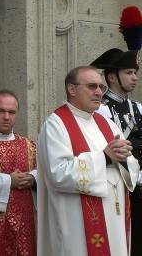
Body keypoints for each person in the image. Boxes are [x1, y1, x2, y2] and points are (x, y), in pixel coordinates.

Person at [37, 66, 140, 255]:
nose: (99, 92)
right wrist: (105, 157)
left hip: (115, 217)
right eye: (92, 86)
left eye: (101, 87)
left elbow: (131, 164)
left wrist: (125, 157)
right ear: (72, 89)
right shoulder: (56, 124)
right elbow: (58, 173)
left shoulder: (106, 123)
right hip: (77, 224)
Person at [91, 48, 142, 255]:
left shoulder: (138, 107)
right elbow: (105, 148)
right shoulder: (101, 110)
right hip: (121, 185)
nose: (135, 77)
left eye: (135, 73)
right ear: (112, 77)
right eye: (129, 72)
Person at [0, 89, 36, 256]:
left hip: (26, 222)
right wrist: (8, 181)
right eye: (1, 111)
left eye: (11, 112)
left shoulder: (28, 145)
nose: (6, 117)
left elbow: (45, 172)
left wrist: (33, 178)